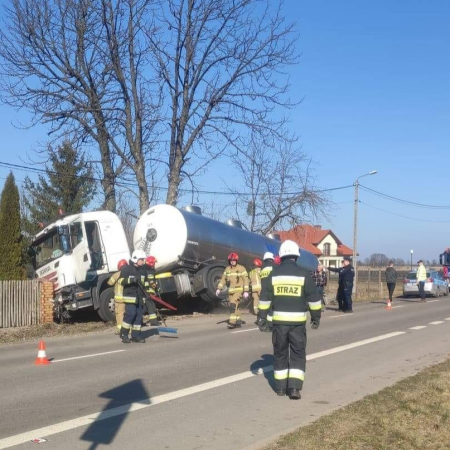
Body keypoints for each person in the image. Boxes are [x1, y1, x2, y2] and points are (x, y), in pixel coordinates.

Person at [258, 240, 321, 400]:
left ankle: (280, 388)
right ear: (296, 256)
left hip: (279, 324)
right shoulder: (304, 274)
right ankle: (294, 389)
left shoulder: (273, 274)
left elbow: (264, 299)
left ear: (282, 256)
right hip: (298, 325)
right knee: (298, 354)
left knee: (280, 354)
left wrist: (262, 318)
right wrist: (316, 317)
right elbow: (314, 299)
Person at [118, 250, 148, 344]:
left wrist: (148, 293)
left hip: (140, 297)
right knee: (131, 314)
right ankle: (124, 334)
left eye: (143, 259)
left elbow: (145, 283)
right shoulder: (126, 269)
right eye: (141, 260)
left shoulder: (143, 270)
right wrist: (131, 280)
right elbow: (121, 281)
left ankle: (136, 336)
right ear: (135, 259)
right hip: (130, 297)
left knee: (139, 316)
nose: (143, 261)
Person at [216, 253, 250, 329]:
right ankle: (238, 321)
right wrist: (219, 288)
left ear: (236, 260)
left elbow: (246, 280)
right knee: (235, 307)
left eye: (234, 260)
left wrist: (246, 291)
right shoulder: (227, 269)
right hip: (231, 291)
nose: (232, 262)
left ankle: (232, 323)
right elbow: (223, 280)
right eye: (231, 260)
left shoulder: (242, 268)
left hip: (239, 290)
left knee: (233, 306)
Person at [107, 259, 128, 335]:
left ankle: (120, 329)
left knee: (120, 314)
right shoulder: (129, 273)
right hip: (129, 298)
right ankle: (130, 329)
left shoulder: (116, 275)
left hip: (119, 300)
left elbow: (109, 283)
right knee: (129, 314)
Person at [256, 252, 276, 330]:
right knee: (271, 309)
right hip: (272, 290)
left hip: (263, 291)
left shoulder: (262, 268)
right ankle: (269, 326)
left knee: (263, 310)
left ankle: (262, 324)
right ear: (272, 259)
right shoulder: (274, 266)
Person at [143, 256, 160, 326]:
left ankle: (138, 322)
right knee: (151, 307)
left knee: (144, 307)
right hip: (149, 293)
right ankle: (153, 322)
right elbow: (151, 282)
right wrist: (156, 288)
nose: (155, 264)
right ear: (151, 263)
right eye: (154, 263)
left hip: (146, 292)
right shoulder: (149, 271)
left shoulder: (145, 269)